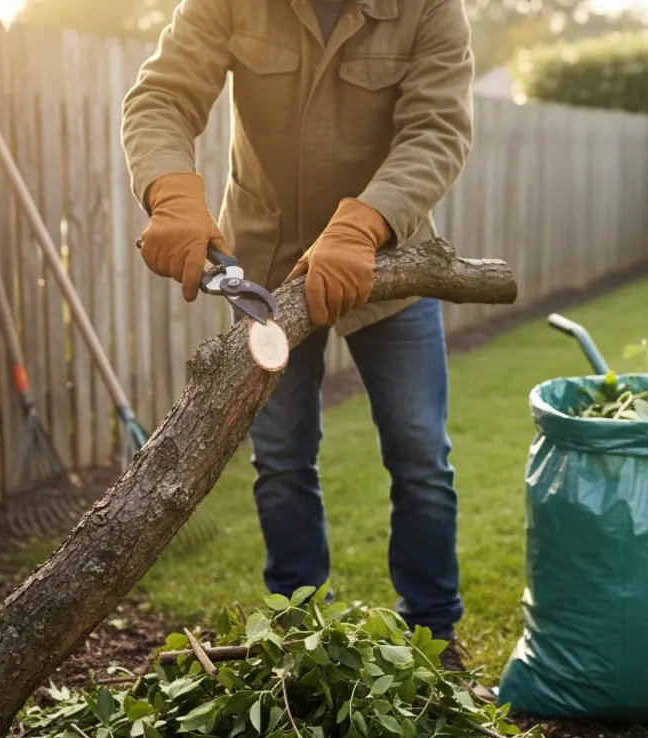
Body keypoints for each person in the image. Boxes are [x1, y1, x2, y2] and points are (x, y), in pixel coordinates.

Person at [120, 0, 477, 672]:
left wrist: (364, 225)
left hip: (387, 264)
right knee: (282, 458)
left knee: (420, 456)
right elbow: (164, 95)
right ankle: (298, 632)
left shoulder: (429, 7)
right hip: (267, 269)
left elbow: (437, 130)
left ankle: (433, 639)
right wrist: (171, 193)